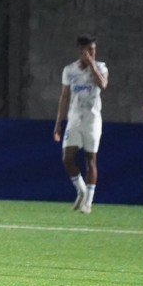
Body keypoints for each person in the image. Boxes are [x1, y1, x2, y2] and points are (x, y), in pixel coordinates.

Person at [54, 36, 108, 214]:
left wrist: (92, 65)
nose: (92, 53)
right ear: (81, 51)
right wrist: (58, 123)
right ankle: (82, 190)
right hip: (74, 119)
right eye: (89, 50)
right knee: (67, 158)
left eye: (94, 50)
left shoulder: (101, 67)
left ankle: (88, 203)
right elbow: (64, 96)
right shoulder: (69, 70)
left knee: (90, 160)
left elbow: (103, 85)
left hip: (92, 120)